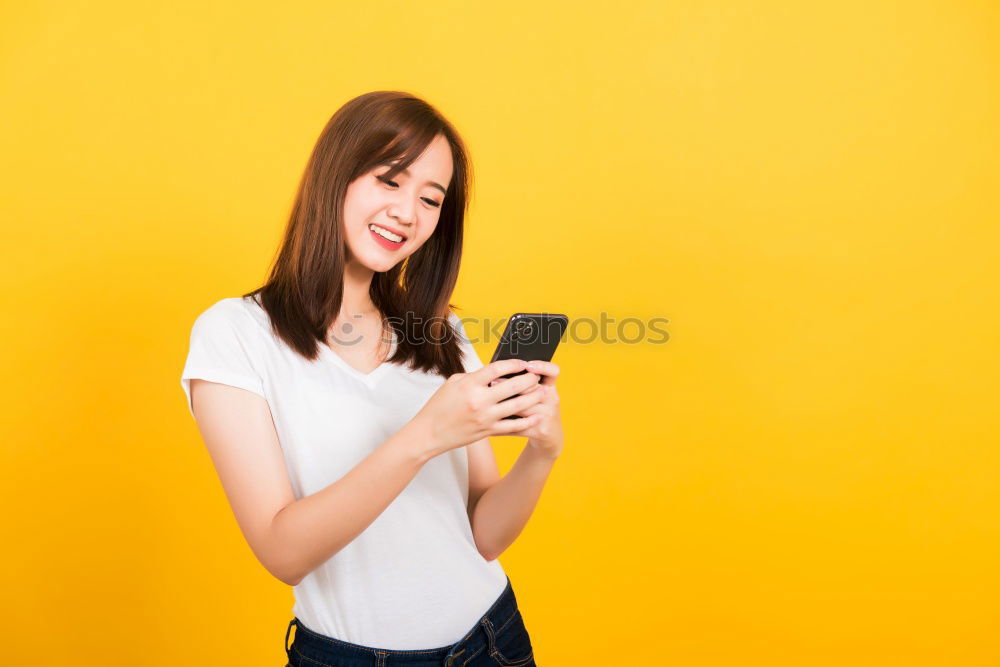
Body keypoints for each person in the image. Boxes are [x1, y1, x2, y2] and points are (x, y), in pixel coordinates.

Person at [180, 91, 564, 666]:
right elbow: (282, 551)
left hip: (493, 641)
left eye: (430, 199)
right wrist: (424, 435)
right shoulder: (235, 334)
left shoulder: (438, 329)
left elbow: (483, 536)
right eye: (390, 181)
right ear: (335, 176)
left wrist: (542, 453)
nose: (409, 213)